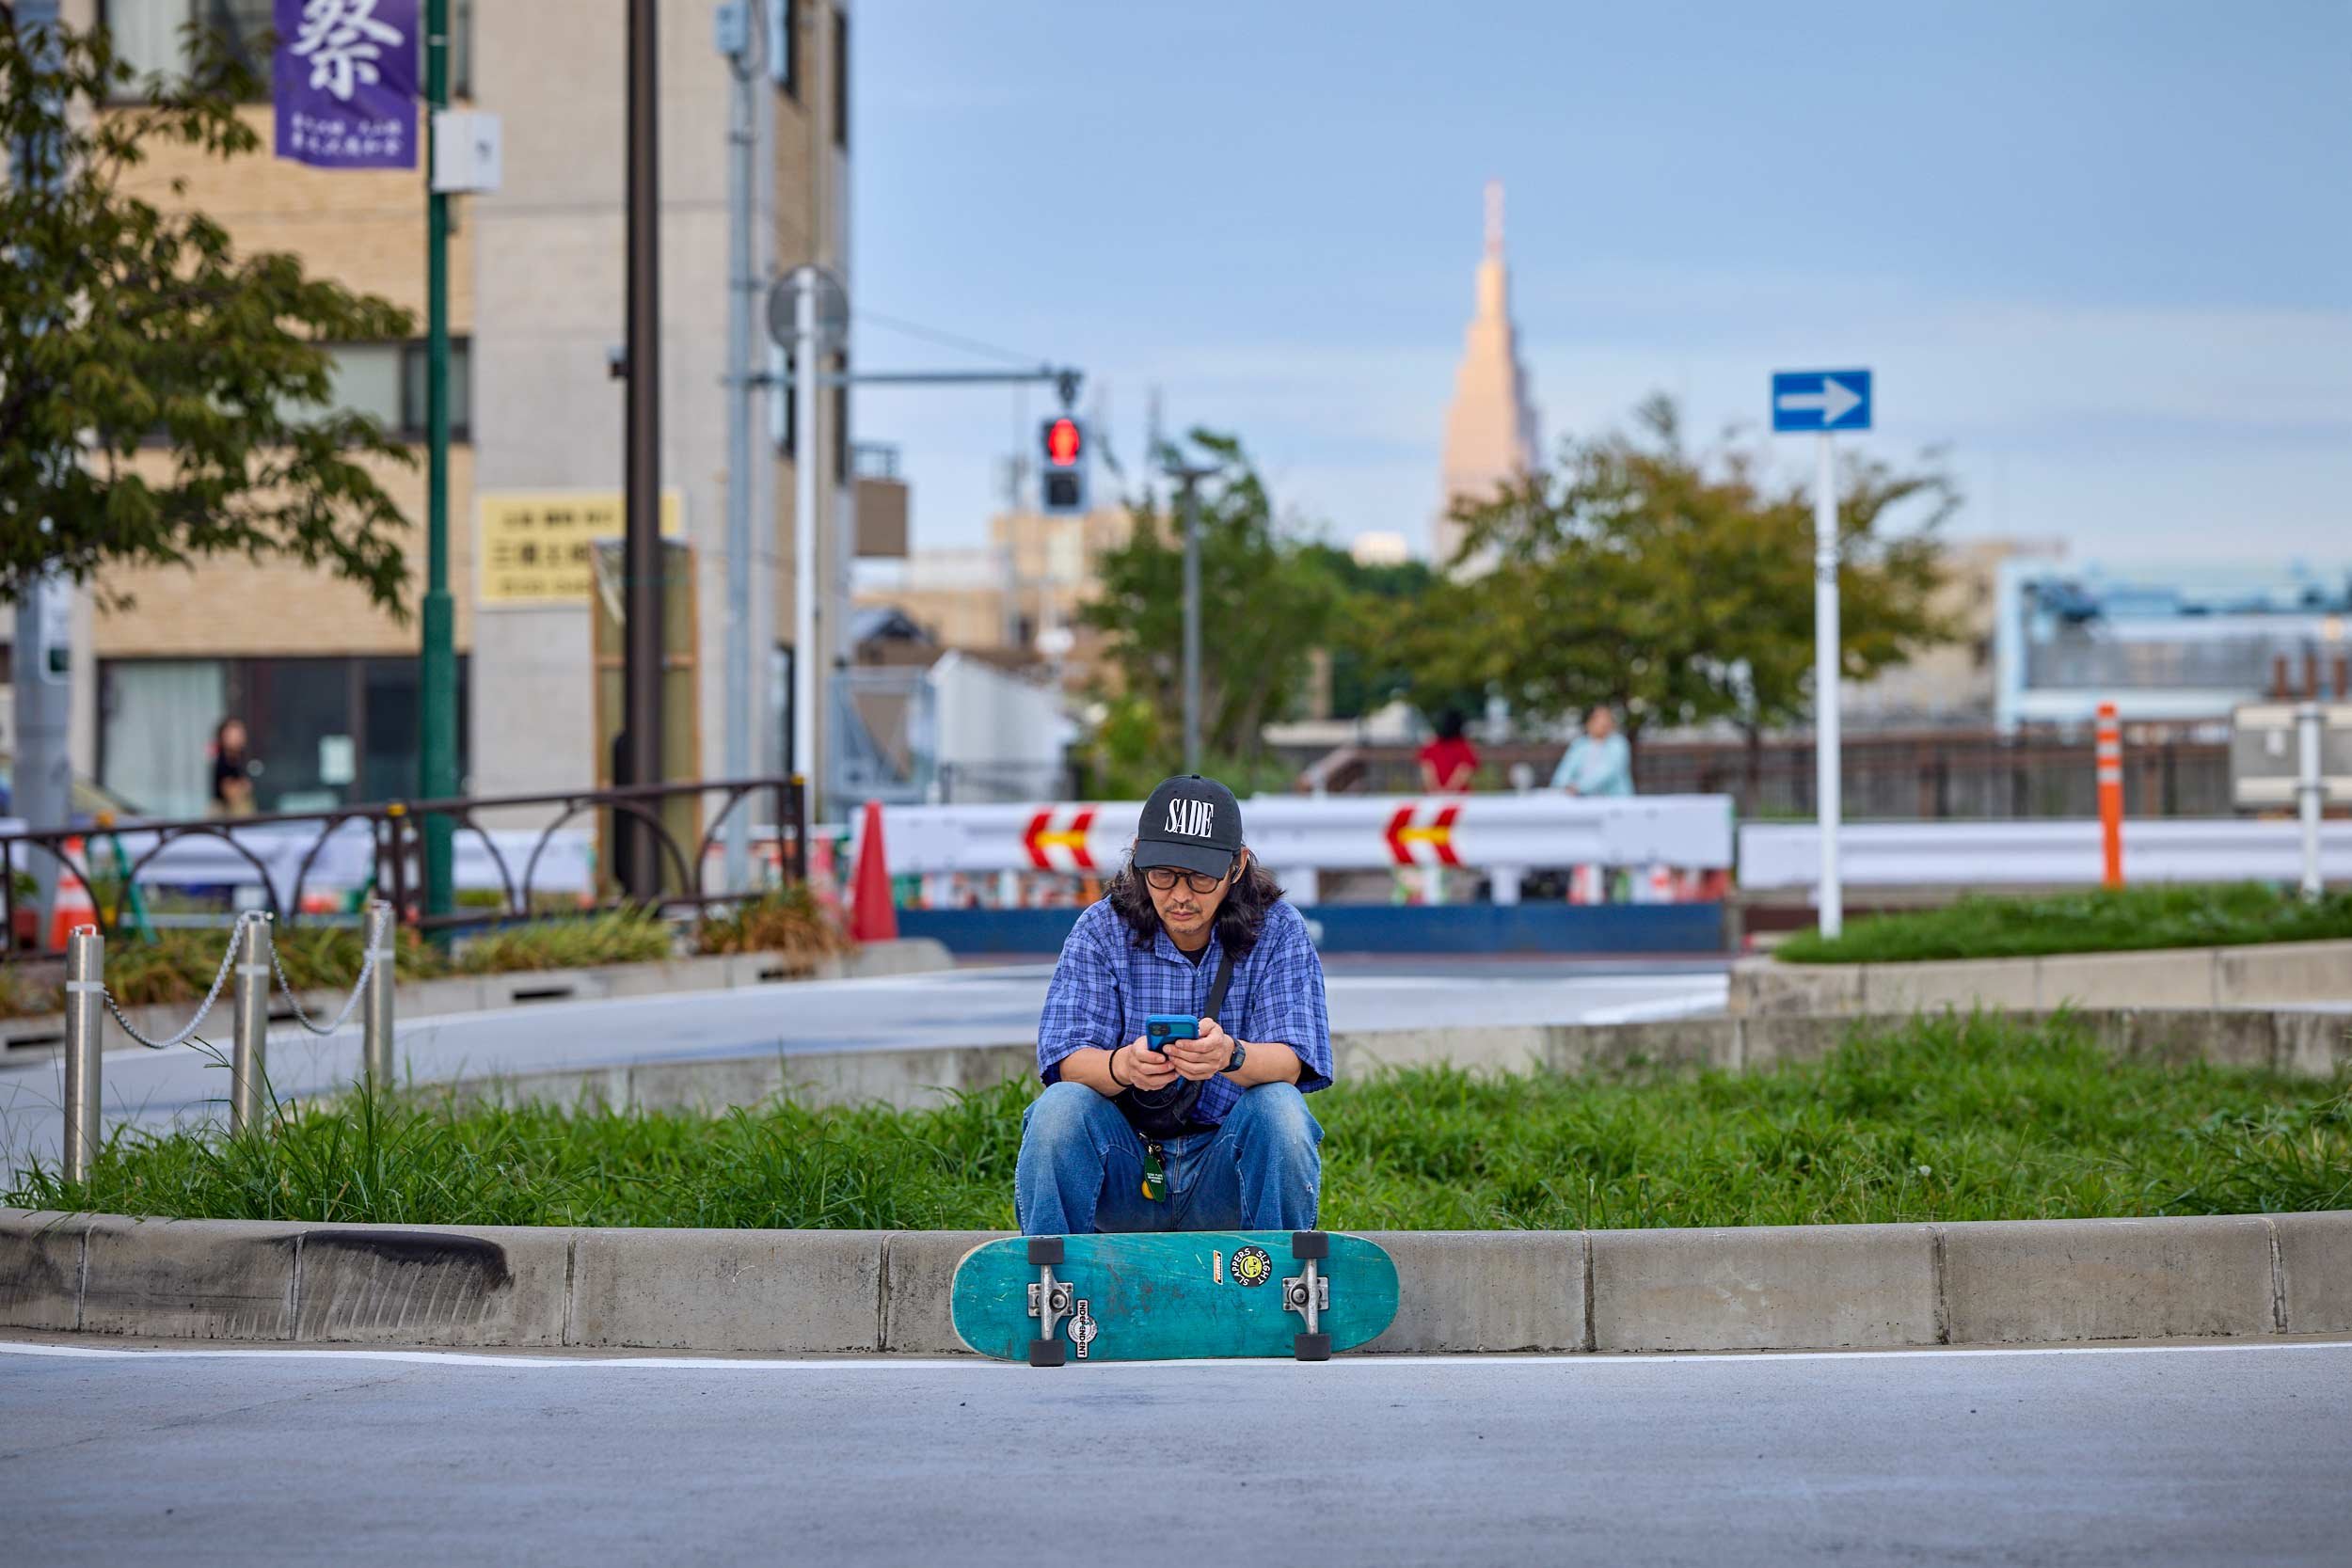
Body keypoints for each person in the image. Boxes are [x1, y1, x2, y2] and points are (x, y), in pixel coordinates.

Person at [1017, 773, 1332, 1236]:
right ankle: (1046, 1283)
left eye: (1201, 877)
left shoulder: (1279, 930)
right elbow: (1066, 1061)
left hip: (1226, 1170)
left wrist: (1231, 1055)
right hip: (1127, 1167)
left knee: (1281, 1109)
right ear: (1139, 860)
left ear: (1238, 865)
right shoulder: (1101, 928)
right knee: (1059, 1109)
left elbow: (1292, 1060)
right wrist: (1123, 1066)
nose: (1181, 895)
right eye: (1163, 874)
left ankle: (1282, 1281)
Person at [1551, 705, 1631, 797]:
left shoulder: (1618, 743)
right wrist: (1564, 785)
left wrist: (1579, 787)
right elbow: (1564, 771)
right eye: (1597, 719)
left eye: (1606, 719)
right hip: (1581, 800)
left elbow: (1609, 770)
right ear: (1589, 722)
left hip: (1613, 800)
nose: (1603, 723)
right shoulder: (1579, 744)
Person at [1416, 708, 1480, 794]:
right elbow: (1463, 772)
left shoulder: (1430, 746)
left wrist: (1436, 791)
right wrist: (1448, 791)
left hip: (1433, 797)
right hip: (1459, 797)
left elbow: (1427, 772)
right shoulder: (1465, 748)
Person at [210, 718, 255, 816]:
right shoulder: (223, 761)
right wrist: (243, 787)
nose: (238, 737)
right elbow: (231, 793)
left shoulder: (242, 759)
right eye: (233, 734)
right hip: (227, 818)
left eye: (240, 733)